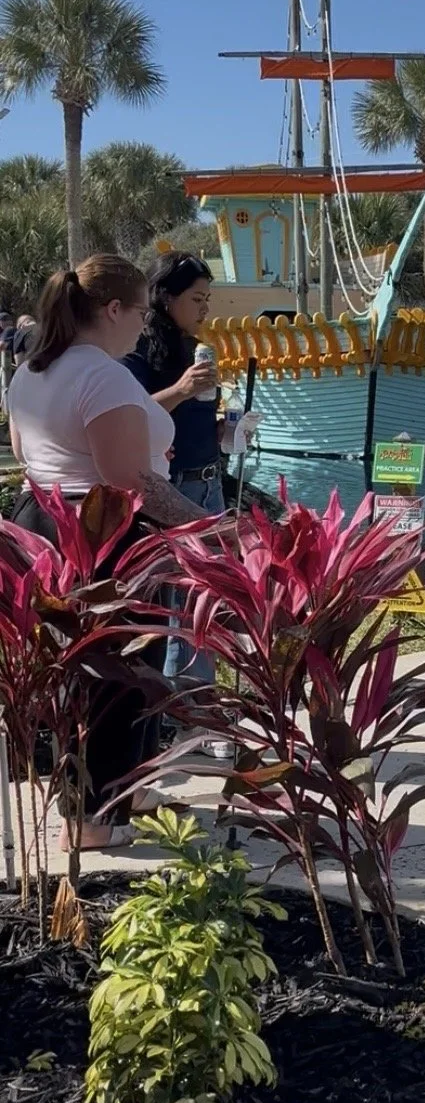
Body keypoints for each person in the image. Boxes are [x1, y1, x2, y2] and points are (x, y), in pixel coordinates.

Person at [5, 255, 203, 850]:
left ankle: (125, 790)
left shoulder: (30, 371)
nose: (144, 325)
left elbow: (27, 456)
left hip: (43, 523)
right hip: (104, 533)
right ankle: (92, 820)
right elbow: (130, 479)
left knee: (81, 669)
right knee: (115, 674)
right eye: (141, 312)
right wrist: (209, 527)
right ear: (113, 309)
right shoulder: (104, 375)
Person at [123, 253, 233, 758]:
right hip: (172, 490)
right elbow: (129, 417)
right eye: (196, 298)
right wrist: (181, 388)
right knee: (182, 607)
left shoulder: (195, 347)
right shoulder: (139, 352)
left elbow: (193, 421)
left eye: (208, 298)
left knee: (206, 601)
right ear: (166, 298)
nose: (205, 308)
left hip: (209, 481)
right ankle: (189, 717)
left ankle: (191, 712)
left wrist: (227, 430)